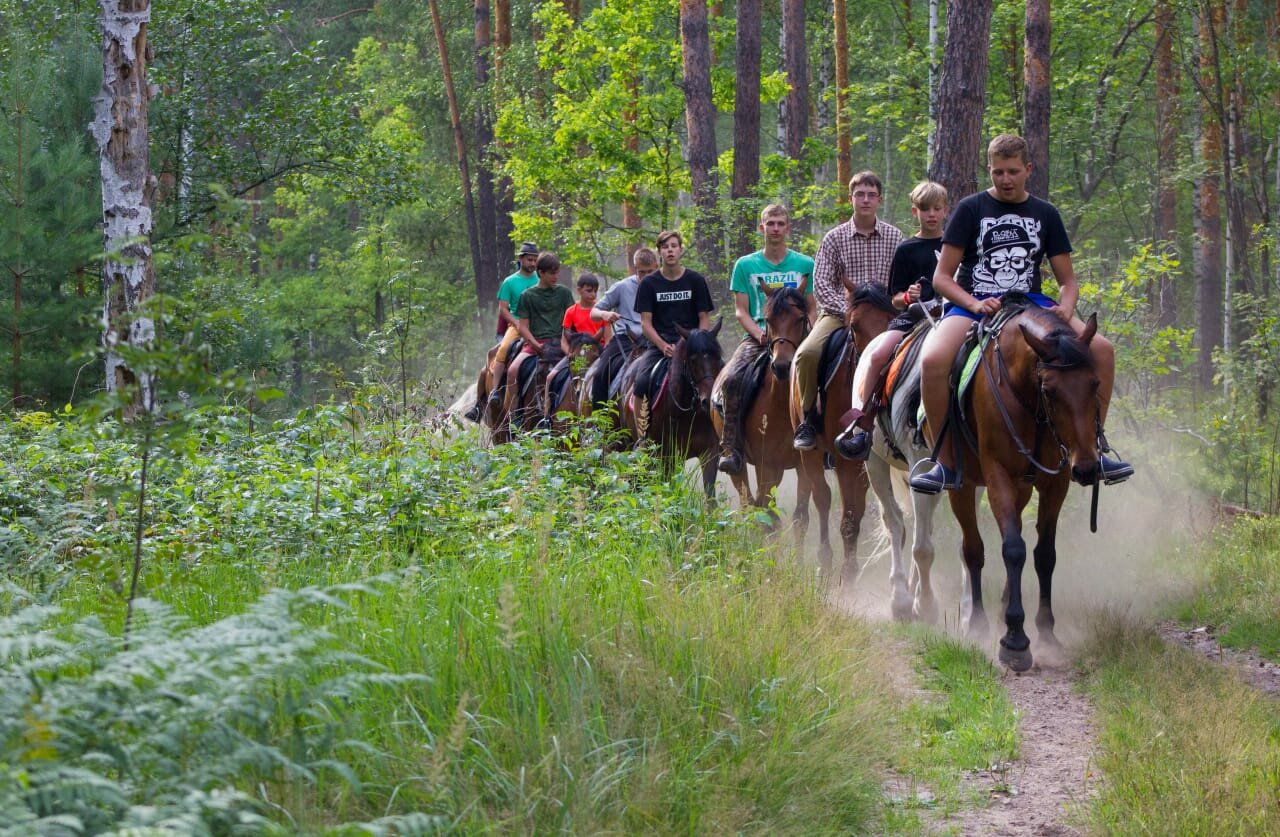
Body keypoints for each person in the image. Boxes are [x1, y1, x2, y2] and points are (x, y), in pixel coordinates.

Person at [909, 133, 1134, 494]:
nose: (1006, 179)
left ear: (1028, 169)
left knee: (1103, 350)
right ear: (989, 169)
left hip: (1032, 303)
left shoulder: (1045, 213)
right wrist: (973, 303)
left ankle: (1094, 447)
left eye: (1013, 171)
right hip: (975, 302)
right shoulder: (970, 209)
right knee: (933, 359)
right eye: (998, 172)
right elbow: (942, 278)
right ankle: (945, 462)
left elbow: (1068, 281)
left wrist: (1066, 308)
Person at [835, 180, 947, 461]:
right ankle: (862, 425)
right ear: (915, 211)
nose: (931, 214)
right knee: (877, 356)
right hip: (913, 319)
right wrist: (908, 296)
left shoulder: (956, 246)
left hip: (953, 316)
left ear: (945, 210)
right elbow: (894, 298)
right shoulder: (906, 249)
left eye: (937, 208)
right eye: (925, 209)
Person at [792, 171, 903, 450]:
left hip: (886, 314)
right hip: (839, 313)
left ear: (879, 200)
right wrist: (850, 312)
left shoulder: (895, 236)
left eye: (871, 195)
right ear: (850, 198)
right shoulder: (834, 238)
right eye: (860, 194)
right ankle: (809, 418)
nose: (865, 200)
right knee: (807, 354)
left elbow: (902, 280)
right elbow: (821, 283)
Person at [716, 204, 815, 474]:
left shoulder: (805, 265)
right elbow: (741, 310)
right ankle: (731, 447)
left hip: (796, 337)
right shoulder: (745, 265)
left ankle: (824, 442)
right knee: (732, 378)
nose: (775, 229)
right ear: (762, 228)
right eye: (770, 223)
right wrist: (758, 333)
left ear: (788, 228)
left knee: (826, 372)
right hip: (758, 336)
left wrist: (810, 332)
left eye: (780, 223)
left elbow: (811, 307)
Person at [625, 230, 714, 399]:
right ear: (659, 252)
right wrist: (662, 345)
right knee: (641, 383)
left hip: (692, 345)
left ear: (680, 249)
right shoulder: (648, 284)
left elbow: (703, 317)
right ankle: (640, 417)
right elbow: (645, 323)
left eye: (674, 246)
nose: (670, 250)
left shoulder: (696, 280)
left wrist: (699, 342)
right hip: (660, 345)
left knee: (721, 376)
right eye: (665, 247)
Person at [463, 241, 539, 421]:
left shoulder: (539, 279)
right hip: (516, 324)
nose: (532, 263)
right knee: (503, 349)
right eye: (529, 260)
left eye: (535, 260)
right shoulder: (510, 282)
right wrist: (517, 323)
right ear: (521, 259)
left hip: (538, 324)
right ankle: (495, 391)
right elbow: (503, 309)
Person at [590, 247, 658, 405]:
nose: (646, 277)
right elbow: (594, 312)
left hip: (654, 340)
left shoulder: (664, 286)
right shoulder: (622, 287)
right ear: (635, 269)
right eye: (642, 272)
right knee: (601, 373)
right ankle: (599, 418)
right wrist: (605, 314)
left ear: (656, 267)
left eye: (650, 272)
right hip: (625, 340)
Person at [514, 251, 576, 358]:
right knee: (514, 367)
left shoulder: (564, 293)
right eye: (552, 273)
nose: (556, 277)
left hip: (562, 342)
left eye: (557, 273)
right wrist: (536, 345)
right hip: (537, 342)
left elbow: (573, 321)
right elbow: (522, 326)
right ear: (541, 272)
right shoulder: (527, 296)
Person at [560, 272, 610, 354]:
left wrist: (604, 355)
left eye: (595, 291)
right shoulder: (570, 311)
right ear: (579, 290)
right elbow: (564, 342)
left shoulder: (602, 311)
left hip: (598, 350)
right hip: (578, 350)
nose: (593, 294)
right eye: (589, 291)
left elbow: (608, 339)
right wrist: (570, 354)